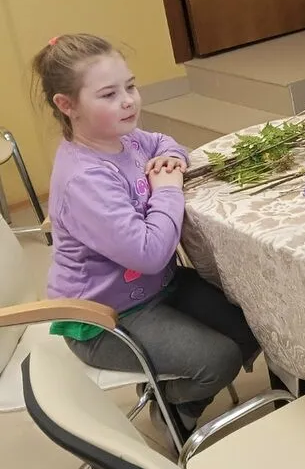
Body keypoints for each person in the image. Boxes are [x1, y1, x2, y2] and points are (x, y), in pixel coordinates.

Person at [33, 34, 260, 437]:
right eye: (109, 94)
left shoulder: (124, 139)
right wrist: (168, 189)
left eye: (130, 86)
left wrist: (170, 157)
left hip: (158, 287)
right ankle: (172, 407)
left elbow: (161, 142)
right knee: (219, 359)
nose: (128, 101)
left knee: (256, 323)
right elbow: (150, 254)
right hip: (105, 318)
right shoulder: (84, 179)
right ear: (67, 106)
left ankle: (174, 389)